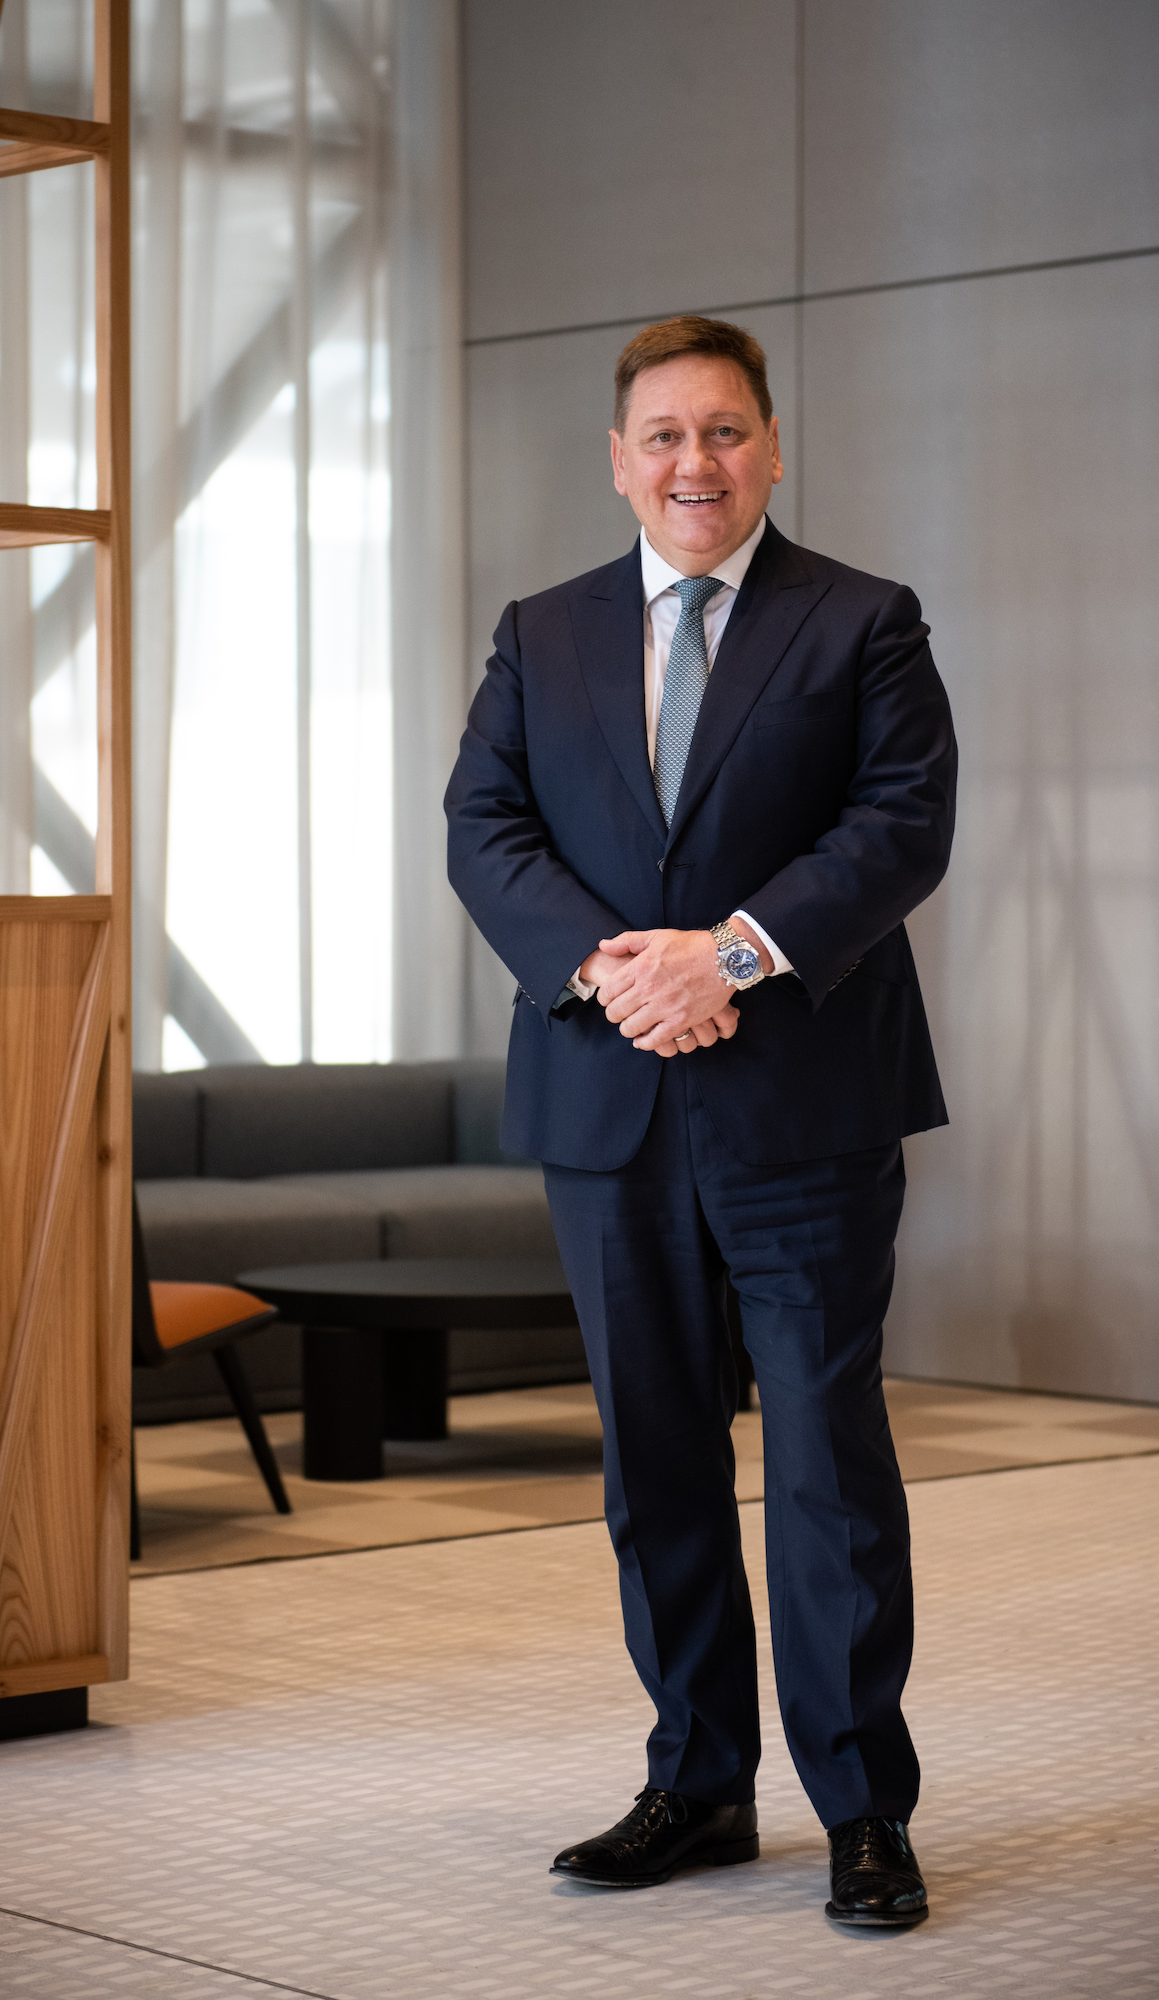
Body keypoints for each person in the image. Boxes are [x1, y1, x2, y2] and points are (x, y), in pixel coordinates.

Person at [444, 315, 956, 1930]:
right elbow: (484, 824)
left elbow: (903, 823)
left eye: (724, 432)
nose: (693, 463)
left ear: (773, 447)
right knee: (654, 1467)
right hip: (612, 1106)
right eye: (662, 435)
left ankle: (865, 1810)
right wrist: (616, 969)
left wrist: (727, 956)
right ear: (617, 460)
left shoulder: (864, 620)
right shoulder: (544, 632)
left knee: (823, 1464)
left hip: (803, 1106)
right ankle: (699, 1784)